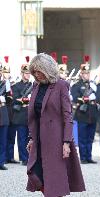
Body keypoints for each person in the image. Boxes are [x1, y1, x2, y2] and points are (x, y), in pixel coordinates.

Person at [26, 53, 85, 196]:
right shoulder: (36, 85)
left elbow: (67, 115)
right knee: (38, 174)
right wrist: (32, 138)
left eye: (39, 70)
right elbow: (34, 115)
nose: (37, 74)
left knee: (55, 179)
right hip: (39, 138)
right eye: (34, 71)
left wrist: (66, 142)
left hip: (56, 139)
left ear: (47, 69)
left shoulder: (61, 85)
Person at [71, 55, 98, 164]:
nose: (86, 75)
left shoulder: (93, 85)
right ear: (81, 74)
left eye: (88, 73)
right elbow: (75, 97)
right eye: (85, 73)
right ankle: (83, 157)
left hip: (92, 113)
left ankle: (89, 156)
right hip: (82, 113)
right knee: (82, 137)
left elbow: (99, 96)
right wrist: (86, 98)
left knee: (90, 137)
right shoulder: (77, 85)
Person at [7, 57, 32, 166]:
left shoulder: (33, 86)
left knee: (30, 138)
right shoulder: (16, 86)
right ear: (22, 74)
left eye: (29, 73)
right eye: (25, 73)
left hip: (30, 115)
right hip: (20, 115)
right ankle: (23, 158)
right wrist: (25, 100)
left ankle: (30, 157)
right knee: (21, 138)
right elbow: (14, 100)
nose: (27, 75)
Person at [0, 57, 11, 170]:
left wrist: (4, 97)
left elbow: (10, 99)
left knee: (3, 139)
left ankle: (1, 161)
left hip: (2, 113)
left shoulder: (5, 83)